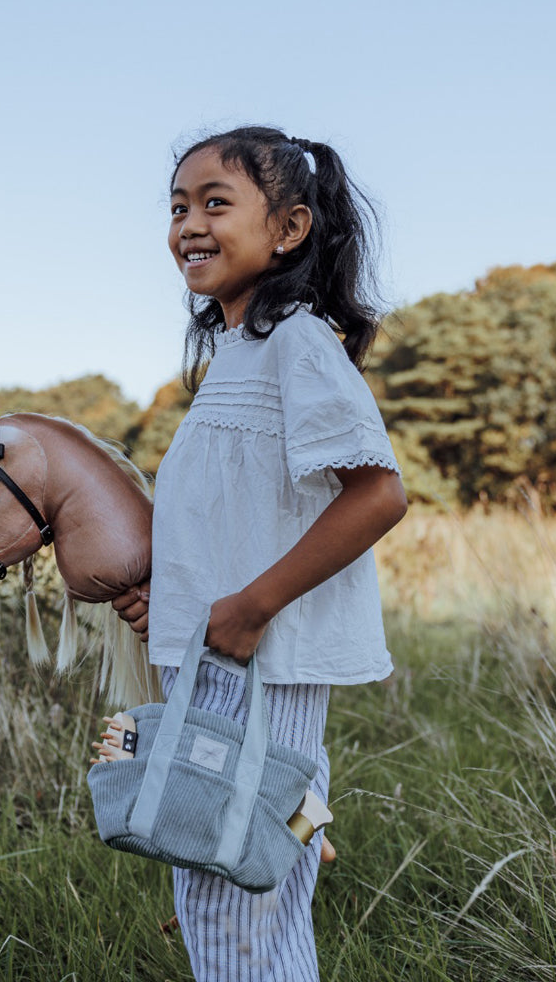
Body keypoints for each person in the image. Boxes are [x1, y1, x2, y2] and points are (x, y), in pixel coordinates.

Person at [112, 125, 407, 981]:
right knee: (235, 886)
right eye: (177, 207)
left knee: (233, 888)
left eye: (214, 203)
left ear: (289, 229)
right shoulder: (235, 356)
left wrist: (250, 608)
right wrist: (167, 598)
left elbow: (378, 493)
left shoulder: (296, 344)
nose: (188, 224)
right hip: (214, 663)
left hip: (257, 668)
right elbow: (231, 523)